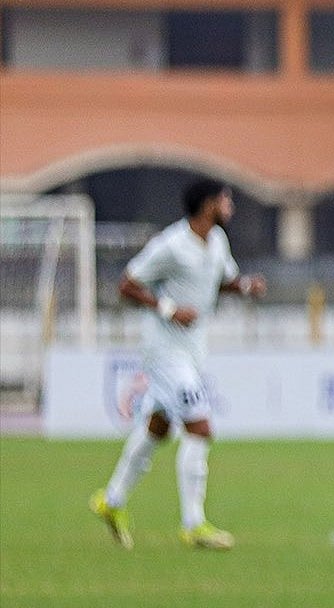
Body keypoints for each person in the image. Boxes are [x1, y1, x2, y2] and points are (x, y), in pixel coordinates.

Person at [89, 178, 266, 550]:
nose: (230, 206)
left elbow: (221, 281)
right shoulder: (171, 244)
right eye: (225, 200)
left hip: (192, 349)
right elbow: (127, 284)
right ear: (208, 205)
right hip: (164, 350)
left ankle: (112, 500)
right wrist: (168, 309)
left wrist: (246, 286)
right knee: (199, 427)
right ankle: (194, 524)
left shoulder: (217, 242)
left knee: (158, 425)